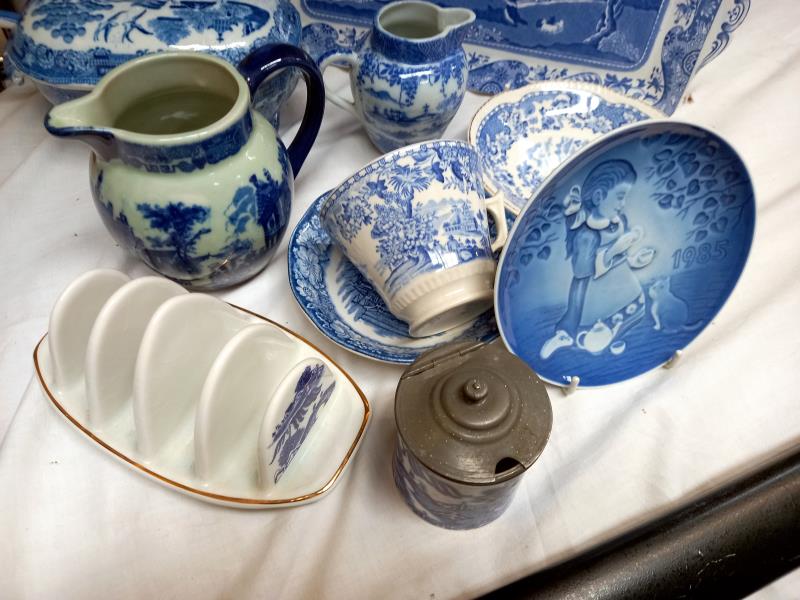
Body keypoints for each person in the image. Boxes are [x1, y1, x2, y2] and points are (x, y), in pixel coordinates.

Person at [540, 159, 654, 359]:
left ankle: (613, 334)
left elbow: (623, 256)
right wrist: (613, 250)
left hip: (623, 286)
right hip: (593, 293)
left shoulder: (619, 221)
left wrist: (635, 259)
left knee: (632, 314)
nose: (623, 204)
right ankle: (578, 337)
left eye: (625, 198)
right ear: (599, 196)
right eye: (620, 197)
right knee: (593, 329)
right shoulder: (587, 234)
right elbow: (582, 270)